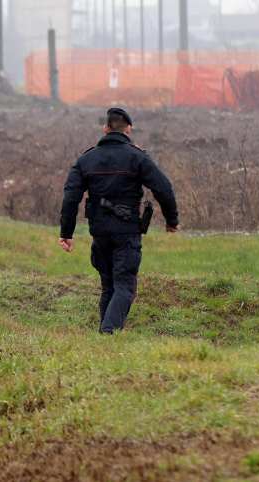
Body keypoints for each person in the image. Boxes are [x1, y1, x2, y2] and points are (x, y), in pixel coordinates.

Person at [58, 108, 179, 334]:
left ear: (105, 129)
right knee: (125, 286)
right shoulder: (137, 157)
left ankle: (105, 335)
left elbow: (70, 197)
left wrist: (67, 232)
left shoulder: (86, 159)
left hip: (99, 232)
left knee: (109, 285)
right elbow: (164, 188)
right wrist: (171, 220)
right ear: (128, 129)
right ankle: (109, 331)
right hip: (127, 232)